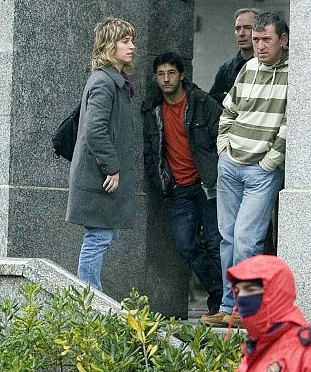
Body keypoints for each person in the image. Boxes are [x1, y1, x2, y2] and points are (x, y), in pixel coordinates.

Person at [213, 11, 289, 327]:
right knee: (228, 239)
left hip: (261, 170)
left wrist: (270, 161)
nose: (259, 46)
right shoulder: (248, 68)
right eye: (256, 40)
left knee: (247, 240)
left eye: (266, 39)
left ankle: (248, 311)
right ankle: (228, 306)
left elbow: (290, 122)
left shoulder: (294, 73)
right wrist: (223, 148)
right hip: (231, 163)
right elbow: (228, 111)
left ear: (283, 40)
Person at [141, 52, 223, 318]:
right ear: (155, 78)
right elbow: (151, 152)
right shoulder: (152, 110)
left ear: (182, 75)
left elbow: (223, 136)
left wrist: (218, 173)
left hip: (208, 185)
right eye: (161, 74)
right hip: (179, 189)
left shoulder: (201, 102)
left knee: (215, 243)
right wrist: (161, 182)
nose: (166, 79)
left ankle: (222, 304)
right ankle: (219, 292)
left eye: (171, 73)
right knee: (185, 244)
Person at [66, 17, 136, 292]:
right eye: (125, 41)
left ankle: (89, 297)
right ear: (109, 46)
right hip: (99, 177)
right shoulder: (104, 83)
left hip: (100, 176)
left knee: (103, 236)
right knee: (98, 238)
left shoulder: (112, 81)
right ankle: (88, 301)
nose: (132, 46)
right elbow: (94, 131)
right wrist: (112, 167)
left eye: (132, 41)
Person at [207, 8, 260, 105]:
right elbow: (212, 102)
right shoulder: (226, 69)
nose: (241, 34)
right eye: (237, 28)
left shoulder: (268, 65)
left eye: (248, 28)